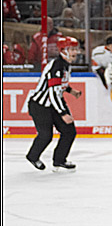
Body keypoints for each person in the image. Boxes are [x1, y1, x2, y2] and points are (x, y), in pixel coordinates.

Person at [26, 36, 81, 172]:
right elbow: (53, 93)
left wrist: (70, 90)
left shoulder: (65, 64)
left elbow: (59, 85)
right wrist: (63, 113)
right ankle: (33, 156)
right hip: (40, 106)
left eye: (76, 49)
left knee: (69, 131)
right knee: (46, 135)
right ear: (63, 50)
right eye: (72, 49)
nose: (75, 52)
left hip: (53, 103)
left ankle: (59, 161)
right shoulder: (57, 65)